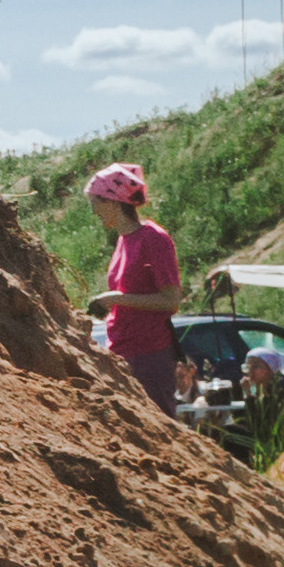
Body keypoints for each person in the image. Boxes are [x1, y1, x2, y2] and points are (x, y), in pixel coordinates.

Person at [84, 161, 183, 414]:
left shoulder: (153, 238)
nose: (94, 212)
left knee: (158, 425)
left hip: (149, 353)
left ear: (113, 202)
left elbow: (171, 300)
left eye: (95, 203)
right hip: (122, 350)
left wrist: (117, 298)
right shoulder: (123, 241)